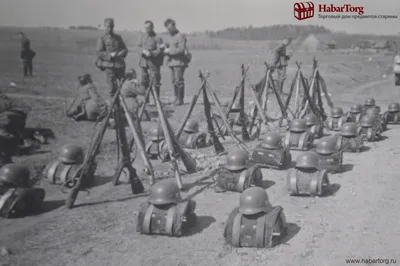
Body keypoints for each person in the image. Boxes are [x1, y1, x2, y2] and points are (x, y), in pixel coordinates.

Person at [96, 18, 128, 99]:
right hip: (110, 67)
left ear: (113, 27)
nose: (109, 29)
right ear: (105, 26)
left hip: (120, 66)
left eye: (111, 27)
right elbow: (99, 52)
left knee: (123, 88)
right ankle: (113, 109)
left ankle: (122, 108)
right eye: (107, 27)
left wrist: (121, 53)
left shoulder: (118, 37)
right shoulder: (102, 38)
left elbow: (125, 49)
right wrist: (110, 55)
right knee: (112, 89)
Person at [163, 19, 190, 106]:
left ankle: (180, 99)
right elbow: (168, 45)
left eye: (171, 28)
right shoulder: (170, 37)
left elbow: (181, 49)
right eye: (168, 29)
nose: (169, 30)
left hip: (179, 62)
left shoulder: (180, 36)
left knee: (179, 81)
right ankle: (176, 98)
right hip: (172, 63)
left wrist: (169, 50)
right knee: (174, 81)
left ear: (174, 26)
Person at [138, 21, 164, 101]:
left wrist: (151, 53)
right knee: (143, 81)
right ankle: (146, 100)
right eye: (145, 28)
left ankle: (156, 100)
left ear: (152, 27)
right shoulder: (142, 37)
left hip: (154, 63)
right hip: (143, 62)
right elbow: (137, 47)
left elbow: (160, 50)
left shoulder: (157, 38)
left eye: (149, 27)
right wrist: (142, 51)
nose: (147, 29)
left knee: (155, 81)